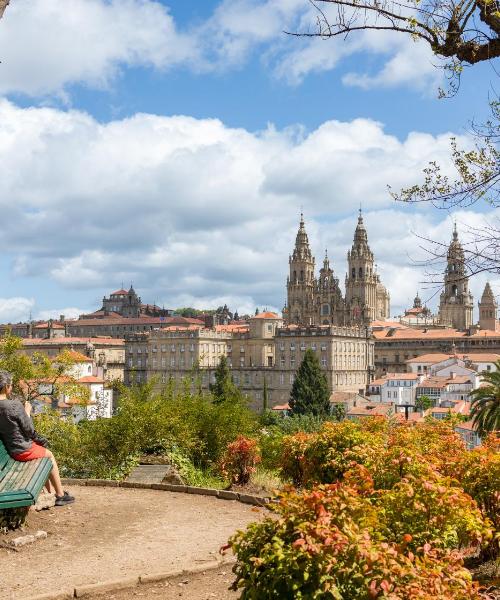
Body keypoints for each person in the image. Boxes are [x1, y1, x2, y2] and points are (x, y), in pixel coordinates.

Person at [0, 370, 74, 506]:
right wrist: (27, 411)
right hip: (21, 450)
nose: (11, 388)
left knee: (42, 454)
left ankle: (51, 493)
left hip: (11, 449)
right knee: (49, 455)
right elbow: (29, 430)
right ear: (6, 387)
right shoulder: (14, 405)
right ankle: (60, 495)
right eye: (10, 385)